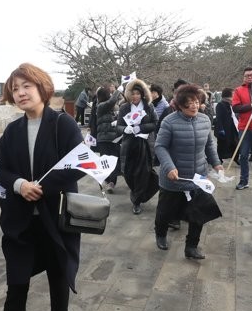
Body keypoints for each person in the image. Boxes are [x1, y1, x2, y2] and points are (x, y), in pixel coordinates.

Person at [0, 63, 84, 311]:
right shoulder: (12, 130)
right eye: (15, 88)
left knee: (57, 273)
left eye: (27, 85)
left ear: (43, 87)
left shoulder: (63, 124)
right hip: (21, 224)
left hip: (54, 219)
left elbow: (76, 165)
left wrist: (40, 186)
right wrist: (18, 184)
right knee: (16, 286)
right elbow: (1, 170)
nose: (21, 92)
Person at [153, 84, 224, 259]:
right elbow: (160, 147)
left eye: (196, 101)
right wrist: (169, 167)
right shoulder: (169, 121)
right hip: (174, 177)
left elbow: (209, 145)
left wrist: (216, 163)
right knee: (165, 210)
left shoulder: (205, 120)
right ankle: (160, 234)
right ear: (180, 105)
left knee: (199, 211)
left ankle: (191, 246)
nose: (193, 105)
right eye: (189, 102)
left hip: (197, 176)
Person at [117, 77, 160, 215]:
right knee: (129, 173)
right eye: (133, 93)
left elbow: (155, 123)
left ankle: (136, 201)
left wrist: (140, 128)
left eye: (138, 93)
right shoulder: (124, 108)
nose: (135, 96)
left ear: (142, 94)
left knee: (143, 173)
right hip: (129, 145)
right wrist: (125, 129)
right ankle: (136, 194)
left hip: (145, 144)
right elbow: (118, 126)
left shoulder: (148, 107)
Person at [90, 83, 124, 192]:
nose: (110, 95)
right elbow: (111, 102)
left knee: (113, 160)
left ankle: (112, 182)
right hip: (103, 138)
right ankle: (107, 179)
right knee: (105, 161)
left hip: (114, 138)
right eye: (109, 93)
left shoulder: (113, 107)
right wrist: (117, 91)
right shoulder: (100, 106)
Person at [214, 87, 240, 163]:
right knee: (222, 144)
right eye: (233, 93)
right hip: (224, 128)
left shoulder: (232, 104)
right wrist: (220, 129)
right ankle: (219, 158)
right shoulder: (220, 104)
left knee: (235, 143)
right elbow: (219, 118)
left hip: (233, 127)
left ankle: (236, 157)